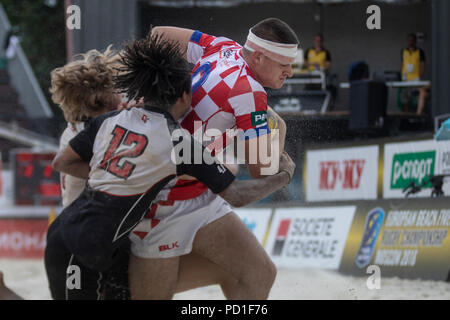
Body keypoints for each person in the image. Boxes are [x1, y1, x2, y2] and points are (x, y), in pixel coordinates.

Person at [45, 31, 295, 300]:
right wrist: (282, 168)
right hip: (108, 240)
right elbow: (240, 188)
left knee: (256, 272)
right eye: (117, 93)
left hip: (79, 231)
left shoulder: (105, 124)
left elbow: (63, 162)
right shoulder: (173, 139)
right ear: (184, 97)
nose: (123, 97)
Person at [127, 18, 298, 300]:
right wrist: (280, 129)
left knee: (258, 272)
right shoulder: (251, 92)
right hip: (167, 199)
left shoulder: (223, 46)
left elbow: (157, 34)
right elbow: (263, 174)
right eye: (284, 65)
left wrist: (151, 86)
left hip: (193, 188)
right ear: (258, 57)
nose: (290, 72)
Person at [398, 33, 427, 115]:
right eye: (409, 40)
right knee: (404, 98)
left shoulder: (420, 52)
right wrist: (399, 75)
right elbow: (402, 64)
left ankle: (418, 115)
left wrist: (419, 76)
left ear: (415, 41)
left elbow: (423, 65)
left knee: (417, 97)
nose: (411, 42)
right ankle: (407, 115)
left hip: (415, 79)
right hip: (405, 79)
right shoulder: (403, 51)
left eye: (412, 40)